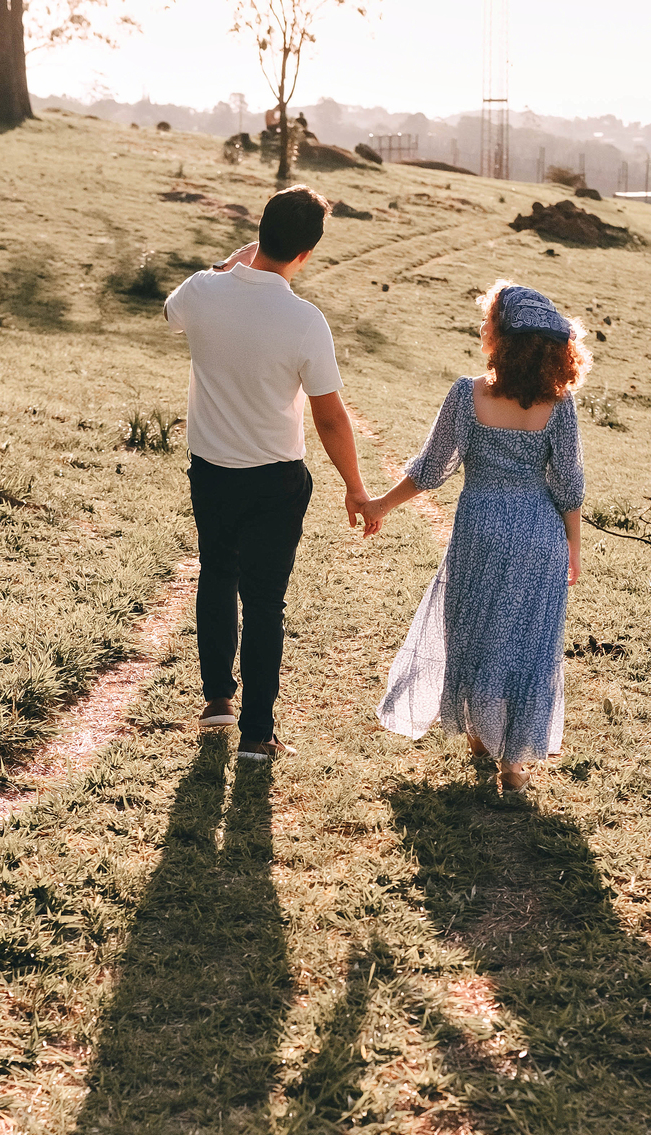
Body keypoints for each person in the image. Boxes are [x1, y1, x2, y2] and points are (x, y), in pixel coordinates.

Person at [163, 185, 371, 760]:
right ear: (307, 253)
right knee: (264, 602)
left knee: (216, 573)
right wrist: (355, 487)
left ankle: (216, 700)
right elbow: (330, 417)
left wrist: (227, 264)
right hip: (276, 480)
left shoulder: (201, 291)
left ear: (259, 233)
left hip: (210, 469)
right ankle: (257, 734)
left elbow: (170, 313)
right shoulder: (305, 321)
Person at [363, 281, 588, 790]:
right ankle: (515, 765)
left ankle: (482, 738)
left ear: (500, 339)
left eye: (489, 322)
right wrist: (572, 546)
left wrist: (380, 504)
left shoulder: (468, 395)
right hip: (539, 536)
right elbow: (569, 485)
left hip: (480, 531)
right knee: (529, 643)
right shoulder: (560, 405)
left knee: (475, 634)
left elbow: (431, 469)